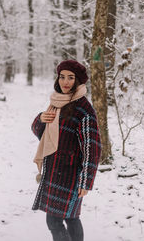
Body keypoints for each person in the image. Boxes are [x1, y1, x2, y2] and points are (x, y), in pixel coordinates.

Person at [31, 60, 101, 241]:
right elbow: (42, 135)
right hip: (54, 170)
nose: (65, 82)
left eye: (71, 78)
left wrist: (86, 181)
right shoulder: (56, 102)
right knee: (70, 217)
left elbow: (91, 149)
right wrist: (40, 119)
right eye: (62, 77)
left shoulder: (84, 110)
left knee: (56, 221)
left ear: (78, 82)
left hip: (71, 175)